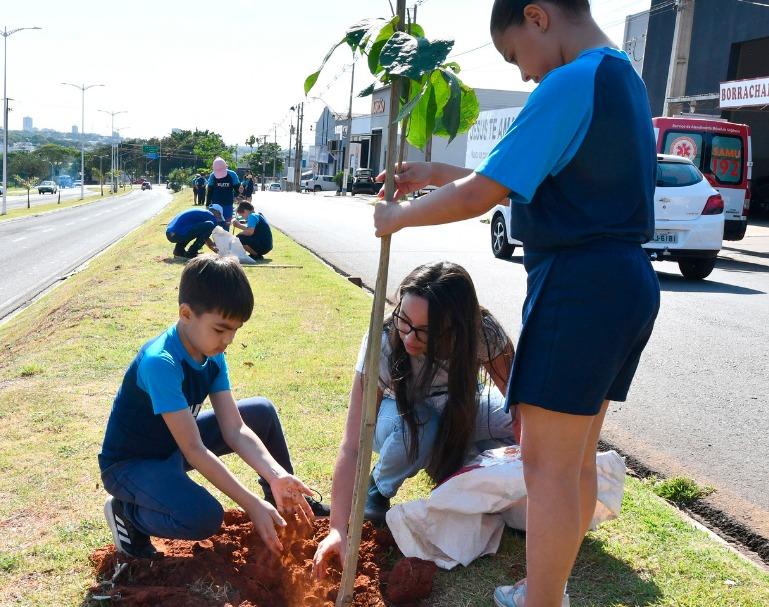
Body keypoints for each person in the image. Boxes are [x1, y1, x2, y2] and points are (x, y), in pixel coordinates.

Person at [372, 3, 661, 606]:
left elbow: (483, 194)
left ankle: (541, 600)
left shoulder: (570, 79)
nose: (524, 74)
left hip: (579, 285)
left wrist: (396, 217)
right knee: (573, 460)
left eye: (513, 56)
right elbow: (525, 175)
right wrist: (434, 173)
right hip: (626, 282)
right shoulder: (620, 77)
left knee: (547, 467)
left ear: (538, 16)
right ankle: (544, 587)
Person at [98, 255, 328, 559]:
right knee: (203, 517)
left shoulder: (211, 352)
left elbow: (235, 428)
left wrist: (274, 474)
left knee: (261, 412)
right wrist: (249, 504)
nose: (228, 340)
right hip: (132, 465)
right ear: (186, 313)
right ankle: (128, 515)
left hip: (174, 448)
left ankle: (284, 499)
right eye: (221, 329)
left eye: (235, 330)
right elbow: (194, 448)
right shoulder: (160, 362)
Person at [313, 262, 518, 573]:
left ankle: (474, 477)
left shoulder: (482, 333)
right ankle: (377, 492)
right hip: (398, 416)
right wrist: (337, 529)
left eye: (425, 331)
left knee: (513, 427)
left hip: (459, 407)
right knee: (420, 429)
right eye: (403, 321)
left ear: (457, 327)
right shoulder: (382, 342)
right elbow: (353, 444)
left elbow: (520, 407)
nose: (409, 337)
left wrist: (531, 472)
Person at [206, 157, 240, 230]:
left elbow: (237, 189)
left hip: (227, 204)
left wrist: (237, 196)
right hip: (215, 204)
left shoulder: (232, 175)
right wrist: (207, 204)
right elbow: (210, 191)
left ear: (226, 167)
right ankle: (217, 241)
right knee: (216, 226)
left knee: (226, 225)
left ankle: (225, 240)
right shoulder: (212, 175)